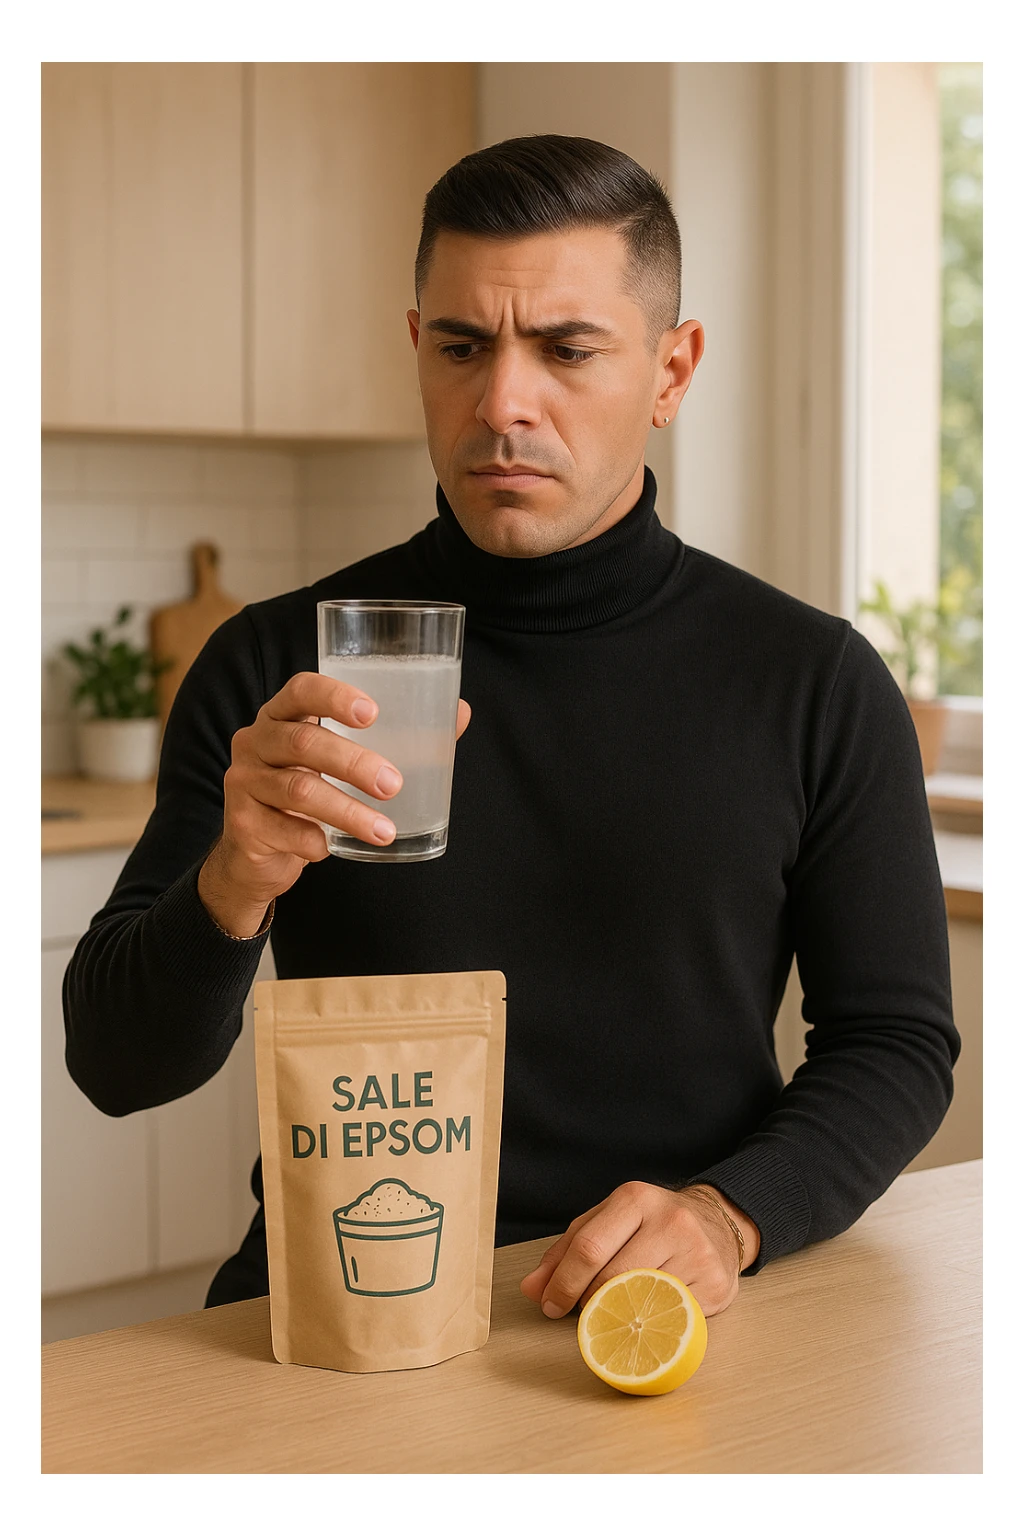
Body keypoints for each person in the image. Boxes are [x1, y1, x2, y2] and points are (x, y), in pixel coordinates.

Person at [63, 134, 958, 1322]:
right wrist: (233, 882)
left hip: (650, 1314)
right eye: (462, 346)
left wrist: (726, 1215)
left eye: (567, 349)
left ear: (671, 372)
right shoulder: (278, 668)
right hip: (339, 1314)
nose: (501, 404)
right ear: (415, 352)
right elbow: (117, 1071)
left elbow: (894, 1044)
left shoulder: (812, 680)